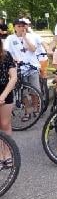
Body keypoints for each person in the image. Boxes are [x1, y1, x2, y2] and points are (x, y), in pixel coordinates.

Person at [4, 19, 41, 121]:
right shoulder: (10, 38)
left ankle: (36, 109)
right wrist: (14, 59)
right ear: (14, 27)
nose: (21, 28)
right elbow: (6, 51)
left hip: (32, 67)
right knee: (23, 92)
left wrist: (25, 38)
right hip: (20, 69)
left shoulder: (30, 37)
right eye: (18, 26)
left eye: (22, 26)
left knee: (35, 91)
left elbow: (33, 49)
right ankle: (27, 112)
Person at [0, 38, 17, 169]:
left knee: (5, 124)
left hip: (5, 91)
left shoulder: (6, 55)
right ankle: (0, 155)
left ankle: (7, 153)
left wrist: (3, 95)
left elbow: (13, 77)